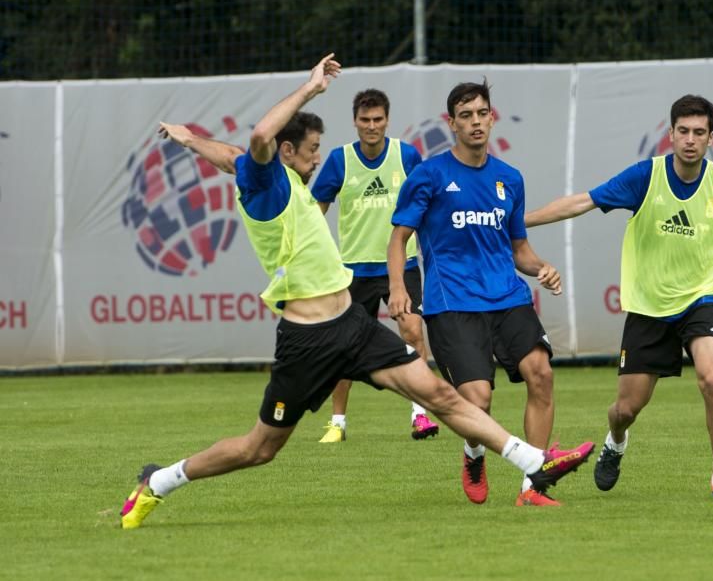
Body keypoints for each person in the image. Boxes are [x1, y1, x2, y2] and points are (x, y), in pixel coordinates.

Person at [119, 56, 594, 530]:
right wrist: (310, 88)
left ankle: (534, 464)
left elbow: (230, 155)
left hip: (353, 325)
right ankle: (160, 481)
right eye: (312, 150)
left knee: (440, 396)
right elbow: (258, 140)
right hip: (308, 339)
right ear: (286, 152)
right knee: (259, 448)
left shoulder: (281, 176)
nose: (318, 158)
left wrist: (188, 139)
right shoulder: (266, 188)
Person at [523, 94, 713, 492]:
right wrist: (520, 221)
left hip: (701, 301)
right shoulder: (645, 177)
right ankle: (615, 442)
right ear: (670, 134)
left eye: (698, 132)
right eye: (682, 131)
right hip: (648, 309)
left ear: (711, 138)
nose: (689, 139)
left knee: (712, 379)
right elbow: (582, 202)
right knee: (625, 409)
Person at [387, 80, 570, 507]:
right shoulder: (429, 176)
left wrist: (541, 268)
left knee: (541, 374)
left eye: (481, 114)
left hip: (508, 297)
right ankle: (474, 453)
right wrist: (398, 288)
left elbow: (518, 249)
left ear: (492, 118)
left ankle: (533, 487)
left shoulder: (510, 179)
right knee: (478, 399)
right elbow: (399, 239)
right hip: (453, 304)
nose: (475, 122)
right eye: (465, 116)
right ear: (451, 123)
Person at [311, 88, 438, 443]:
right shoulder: (340, 160)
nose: (371, 126)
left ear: (387, 120)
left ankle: (420, 414)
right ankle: (337, 423)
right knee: (343, 347)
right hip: (352, 269)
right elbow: (314, 213)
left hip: (403, 264)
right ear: (355, 122)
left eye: (378, 119)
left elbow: (426, 202)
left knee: (412, 330)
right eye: (365, 120)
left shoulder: (407, 155)